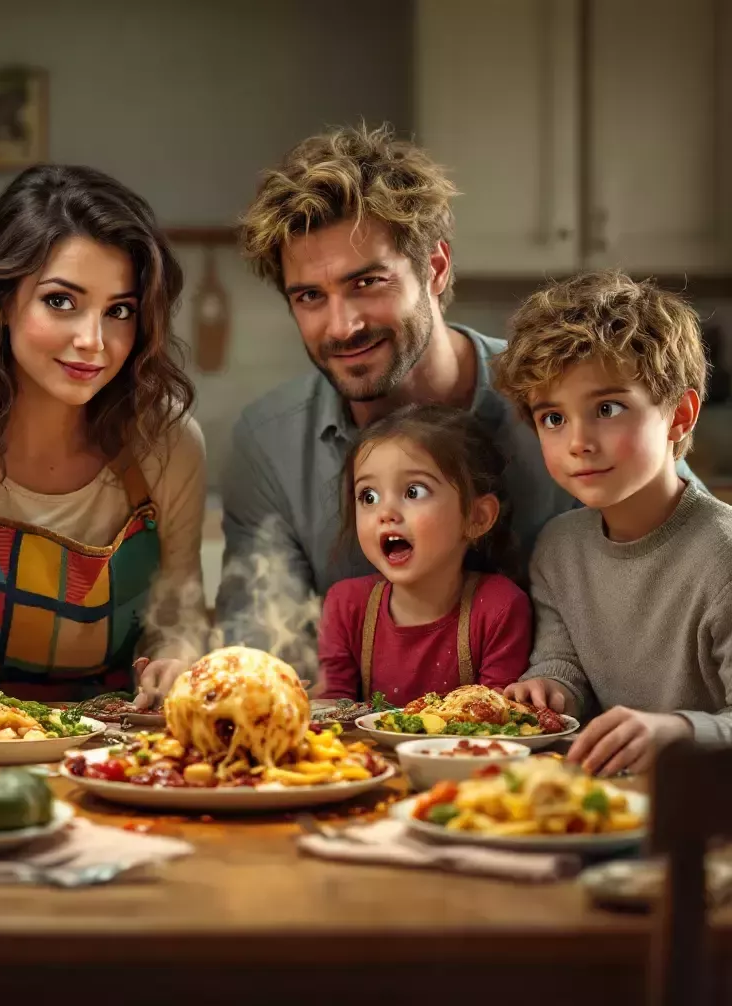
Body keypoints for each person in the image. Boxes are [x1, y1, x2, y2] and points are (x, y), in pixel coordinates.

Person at [216, 125, 700, 672]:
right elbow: (265, 654)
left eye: (368, 283)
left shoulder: (562, 396)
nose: (343, 325)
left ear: (436, 267)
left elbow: (689, 541)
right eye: (309, 297)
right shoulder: (269, 443)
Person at [0, 164, 206, 705]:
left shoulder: (171, 444)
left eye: (119, 311)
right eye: (61, 301)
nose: (93, 341)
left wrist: (176, 661)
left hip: (119, 750)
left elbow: (177, 615)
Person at [498, 272, 732, 775]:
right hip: (607, 801)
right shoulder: (558, 548)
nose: (578, 441)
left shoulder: (723, 555)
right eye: (553, 418)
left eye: (607, 408)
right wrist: (549, 687)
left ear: (680, 416)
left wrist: (677, 731)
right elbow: (564, 664)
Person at [319, 404, 531, 704]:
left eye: (413, 492)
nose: (386, 513)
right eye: (369, 496)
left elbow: (497, 722)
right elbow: (329, 716)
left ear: (477, 517)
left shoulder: (499, 608)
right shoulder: (346, 606)